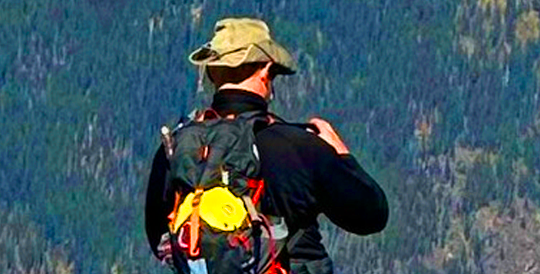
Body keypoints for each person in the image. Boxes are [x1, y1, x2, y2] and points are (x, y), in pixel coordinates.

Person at [146, 17, 387, 274]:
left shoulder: (176, 150)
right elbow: (371, 215)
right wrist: (342, 156)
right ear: (265, 70)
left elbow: (159, 236)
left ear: (212, 72)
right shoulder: (298, 146)